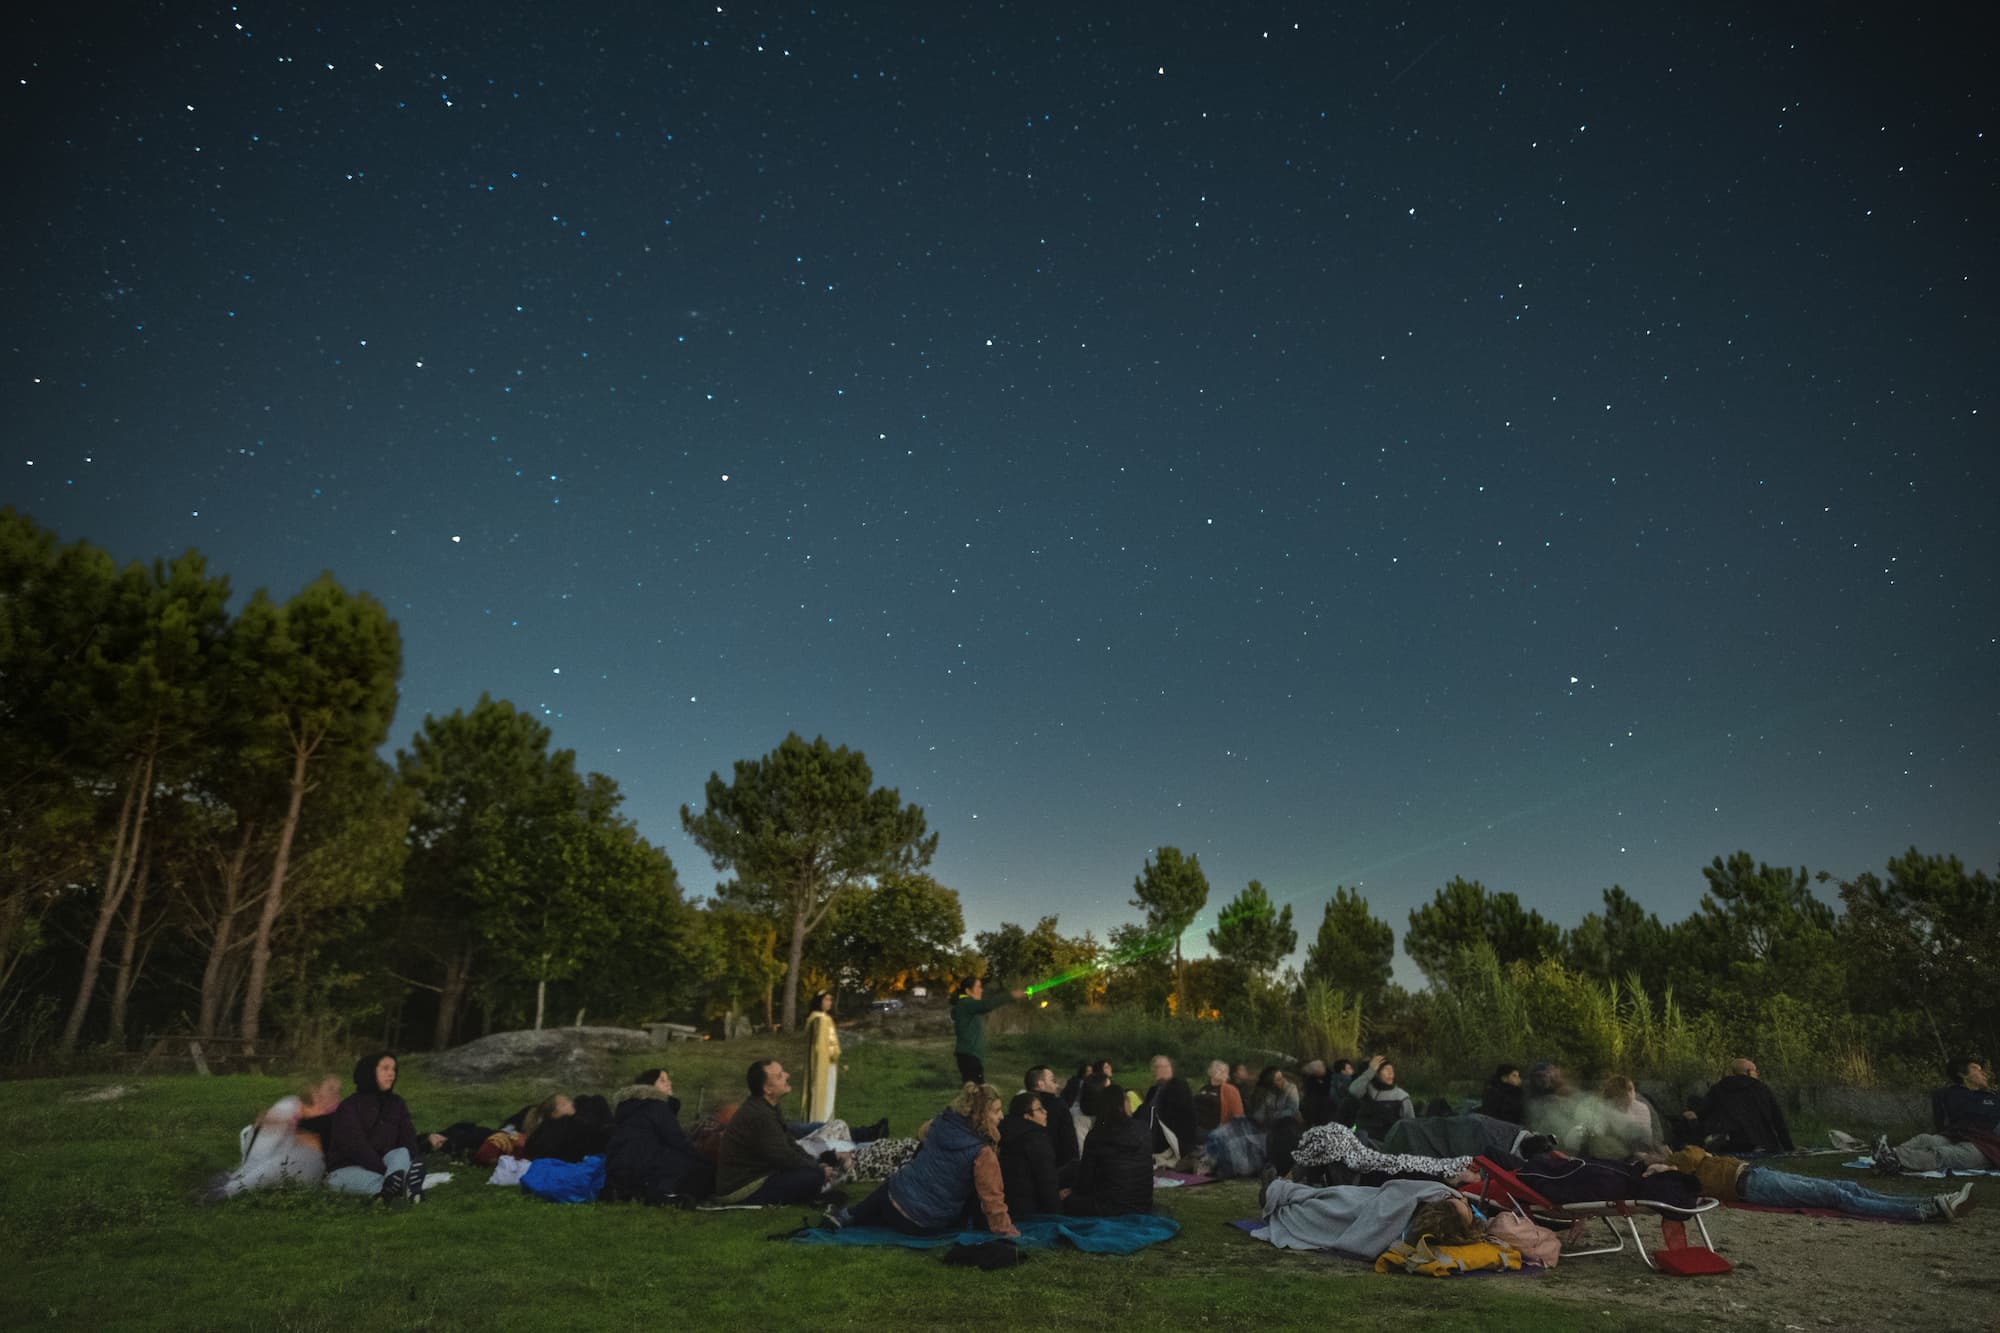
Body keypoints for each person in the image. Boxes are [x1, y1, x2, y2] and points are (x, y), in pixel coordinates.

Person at [837, 1083, 1019, 1237]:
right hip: (926, 1222)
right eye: (996, 1111)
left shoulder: (943, 1122)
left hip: (893, 1200)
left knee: (896, 1184)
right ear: (980, 1115)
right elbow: (992, 1198)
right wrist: (1007, 1231)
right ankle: (854, 1216)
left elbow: (922, 1133)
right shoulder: (983, 1152)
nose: (1001, 1116)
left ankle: (849, 1215)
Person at [1657, 1144, 1973, 1222]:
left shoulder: (1682, 1157)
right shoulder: (1675, 1167)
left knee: (1848, 1187)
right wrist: (1662, 1162)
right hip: (1751, 1186)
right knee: (1835, 1195)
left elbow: (1699, 1154)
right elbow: (1694, 1157)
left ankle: (1932, 1203)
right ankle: (1924, 1210)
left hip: (1756, 1174)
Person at [716, 1059, 840, 1205]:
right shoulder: (759, 1115)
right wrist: (817, 1171)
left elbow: (789, 1143)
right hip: (743, 1188)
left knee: (817, 1168)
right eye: (779, 1076)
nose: (787, 1075)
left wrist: (815, 1164)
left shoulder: (768, 1106)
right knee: (812, 1177)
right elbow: (783, 1157)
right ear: (767, 1089)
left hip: (764, 1173)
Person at [207, 1075, 343, 1201]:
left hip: (311, 1163)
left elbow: (318, 1126)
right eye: (331, 1089)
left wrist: (284, 1121)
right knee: (289, 1106)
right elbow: (274, 1121)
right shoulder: (300, 1108)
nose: (336, 1094)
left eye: (338, 1090)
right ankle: (240, 1175)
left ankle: (232, 1187)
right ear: (315, 1092)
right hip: (289, 1157)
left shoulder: (338, 1113)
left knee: (284, 1161)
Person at [325, 1052, 426, 1201]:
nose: (391, 1074)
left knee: (402, 1152)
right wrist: (386, 1172)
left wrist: (406, 1162)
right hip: (348, 1168)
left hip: (389, 1165)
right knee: (381, 1181)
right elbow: (357, 1147)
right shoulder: (349, 1106)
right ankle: (405, 1187)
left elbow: (408, 1140)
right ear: (369, 1072)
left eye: (394, 1069)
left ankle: (394, 1186)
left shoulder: (397, 1103)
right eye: (385, 1068)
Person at [1875, 1056, 2000, 1175]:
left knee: (1943, 1154)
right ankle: (1888, 1155)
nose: (1983, 1073)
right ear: (1961, 1074)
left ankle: (1896, 1159)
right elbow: (1940, 1123)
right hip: (1956, 1136)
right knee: (1924, 1139)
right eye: (1975, 1069)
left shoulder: (1993, 1098)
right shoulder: (1948, 1094)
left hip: (1985, 1146)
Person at [605, 1068, 709, 1205]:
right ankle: (663, 1194)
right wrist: (705, 1160)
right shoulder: (657, 1106)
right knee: (691, 1165)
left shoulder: (628, 1108)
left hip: (620, 1171)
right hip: (645, 1167)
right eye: (662, 1080)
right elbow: (677, 1141)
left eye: (668, 1079)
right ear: (649, 1086)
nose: (669, 1083)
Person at [1065, 1082, 1153, 1216]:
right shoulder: (1143, 1128)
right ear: (1124, 1104)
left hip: (1109, 1207)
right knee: (1074, 1167)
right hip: (1143, 1204)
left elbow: (1085, 1181)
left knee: (1065, 1199)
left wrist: (1071, 1193)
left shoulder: (1097, 1135)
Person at [1682, 1057, 1793, 1154]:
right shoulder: (1761, 1089)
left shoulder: (1719, 1088)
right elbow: (1778, 1119)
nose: (1757, 1074)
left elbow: (1703, 1111)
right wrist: (1788, 1147)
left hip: (1729, 1141)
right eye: (1755, 1071)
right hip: (1760, 1142)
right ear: (1748, 1072)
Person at [997, 1091, 1064, 1219]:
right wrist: (1057, 1215)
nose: (1045, 1112)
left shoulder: (1005, 1134)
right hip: (1031, 1211)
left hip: (1007, 1207)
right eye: (1039, 1109)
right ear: (1027, 1116)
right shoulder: (1036, 1139)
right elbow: (1046, 1181)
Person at [949, 976, 1021, 1085]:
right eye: (978, 987)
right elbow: (986, 1005)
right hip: (969, 1056)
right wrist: (1010, 995)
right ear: (968, 991)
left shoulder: (966, 1005)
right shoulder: (966, 1003)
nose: (981, 990)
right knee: (975, 1093)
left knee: (974, 1091)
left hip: (970, 1056)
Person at [1137, 1055, 1200, 1163]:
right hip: (1152, 1131)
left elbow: (1175, 1116)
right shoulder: (1153, 1090)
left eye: (1167, 1066)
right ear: (1154, 1071)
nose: (1164, 1069)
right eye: (1159, 1067)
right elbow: (1144, 1111)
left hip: (1172, 1135)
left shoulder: (1178, 1086)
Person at [1586, 1074, 1665, 1158]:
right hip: (1621, 1149)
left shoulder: (1641, 1108)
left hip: (1639, 1148)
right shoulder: (1606, 1107)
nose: (1629, 1095)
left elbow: (1645, 1137)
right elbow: (1599, 1131)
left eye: (1631, 1090)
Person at [526, 1093, 613, 1162]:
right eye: (564, 1104)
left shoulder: (578, 1114)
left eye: (569, 1101)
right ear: (554, 1114)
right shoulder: (558, 1125)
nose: (571, 1104)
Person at [1025, 1065, 1080, 1173]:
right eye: (1052, 1080)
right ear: (1041, 1084)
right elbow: (1069, 1140)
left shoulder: (1022, 1104)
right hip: (1057, 1167)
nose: (1057, 1084)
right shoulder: (1058, 1105)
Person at [1348, 1055, 1413, 1139]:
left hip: (1385, 1142)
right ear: (1376, 1073)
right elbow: (1353, 1091)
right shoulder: (1367, 1088)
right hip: (1362, 1138)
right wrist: (1370, 1071)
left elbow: (1411, 1125)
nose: (1390, 1073)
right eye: (1386, 1070)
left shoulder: (1401, 1096)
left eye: (1392, 1070)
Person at [803, 991, 841, 1123]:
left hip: (824, 1063)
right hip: (823, 1063)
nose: (829, 1002)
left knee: (827, 1091)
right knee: (824, 1092)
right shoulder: (821, 1019)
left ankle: (824, 1121)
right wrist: (834, 1053)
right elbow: (824, 1044)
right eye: (826, 999)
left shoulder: (818, 1018)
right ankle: (822, 1123)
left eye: (830, 1000)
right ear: (819, 1001)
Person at [1193, 1059, 1245, 1136]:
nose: (1221, 1072)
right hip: (1196, 1126)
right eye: (1218, 1069)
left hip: (1214, 1132)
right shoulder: (1204, 1088)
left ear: (1227, 1076)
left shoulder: (1230, 1090)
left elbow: (1237, 1114)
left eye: (1224, 1071)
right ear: (1210, 1072)